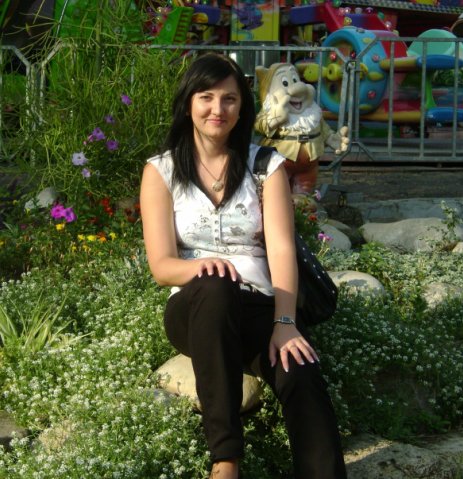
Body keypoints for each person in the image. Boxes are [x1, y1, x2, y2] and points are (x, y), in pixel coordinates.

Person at [140, 52, 347, 479]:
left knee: (299, 370)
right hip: (196, 309)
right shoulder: (161, 172)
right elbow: (162, 266)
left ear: (242, 107)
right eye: (206, 97)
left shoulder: (266, 166)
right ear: (188, 103)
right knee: (215, 284)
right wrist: (206, 267)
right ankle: (226, 459)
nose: (217, 109)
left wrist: (285, 322)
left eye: (229, 99)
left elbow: (281, 249)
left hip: (259, 307)